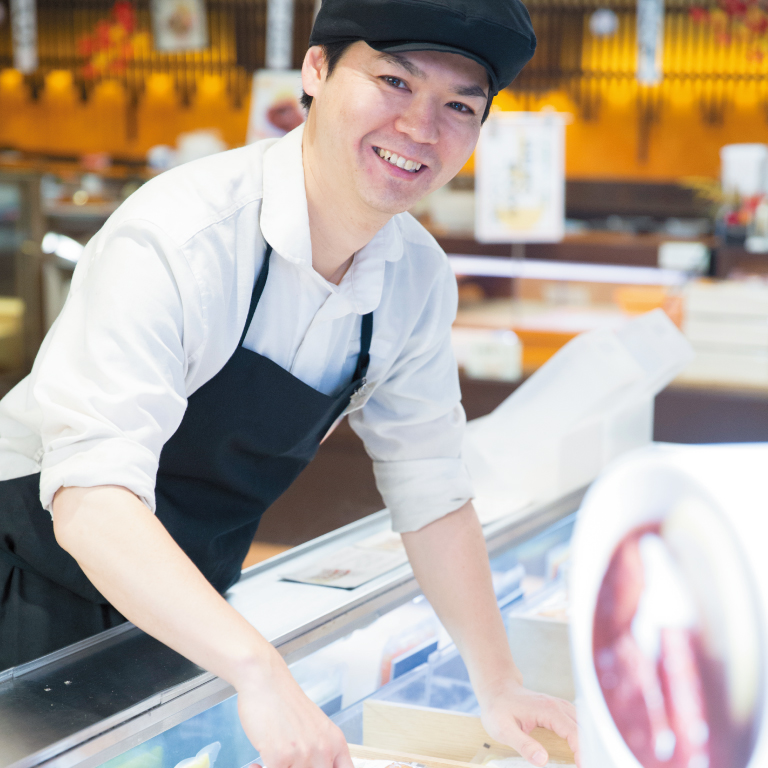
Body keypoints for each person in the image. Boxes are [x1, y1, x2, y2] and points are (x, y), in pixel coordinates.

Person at [0, 0, 580, 765]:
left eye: (459, 105)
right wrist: (258, 669)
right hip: (27, 577)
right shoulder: (183, 235)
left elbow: (433, 489)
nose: (420, 128)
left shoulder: (415, 277)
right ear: (316, 70)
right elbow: (92, 502)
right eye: (394, 81)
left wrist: (499, 683)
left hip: (186, 603)